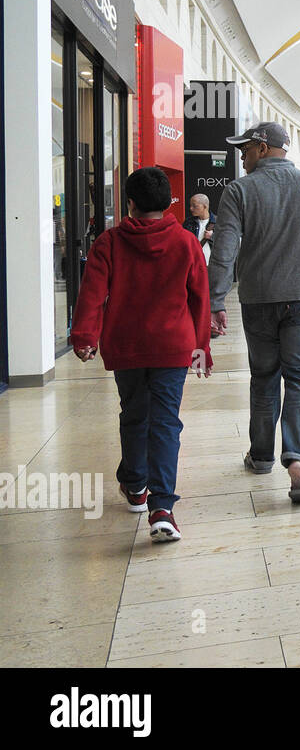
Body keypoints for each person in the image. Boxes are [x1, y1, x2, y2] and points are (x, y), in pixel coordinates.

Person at [70, 167, 213, 543]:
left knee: (134, 414)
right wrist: (201, 349)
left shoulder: (109, 242)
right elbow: (200, 300)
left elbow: (91, 293)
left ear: (130, 203)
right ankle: (162, 507)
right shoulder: (186, 243)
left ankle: (135, 487)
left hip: (127, 345)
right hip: (173, 347)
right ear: (169, 203)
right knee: (165, 422)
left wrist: (85, 336)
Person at [208, 121, 300, 503]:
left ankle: (263, 456)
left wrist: (215, 300)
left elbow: (224, 251)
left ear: (263, 148)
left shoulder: (239, 191)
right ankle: (298, 459)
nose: (242, 156)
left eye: (245, 149)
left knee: (264, 377)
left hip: (259, 300)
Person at [182, 193, 217, 265]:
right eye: (190, 205)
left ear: (205, 206)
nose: (191, 209)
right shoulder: (188, 222)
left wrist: (212, 237)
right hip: (194, 265)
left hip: (212, 266)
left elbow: (227, 242)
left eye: (195, 206)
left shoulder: (219, 222)